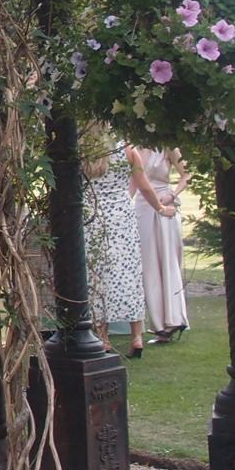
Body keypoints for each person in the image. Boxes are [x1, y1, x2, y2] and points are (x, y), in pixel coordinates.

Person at [79, 124, 146, 356]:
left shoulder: (85, 151)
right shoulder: (126, 149)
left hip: (93, 214)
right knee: (128, 272)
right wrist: (157, 205)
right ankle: (136, 336)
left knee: (97, 274)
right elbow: (142, 181)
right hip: (121, 216)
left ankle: (104, 338)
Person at [130, 145, 189, 341]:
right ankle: (159, 324)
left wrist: (172, 195)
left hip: (166, 204)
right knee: (148, 264)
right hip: (143, 206)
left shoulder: (167, 147)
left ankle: (175, 318)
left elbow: (186, 175)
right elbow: (133, 182)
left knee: (168, 259)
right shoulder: (132, 148)